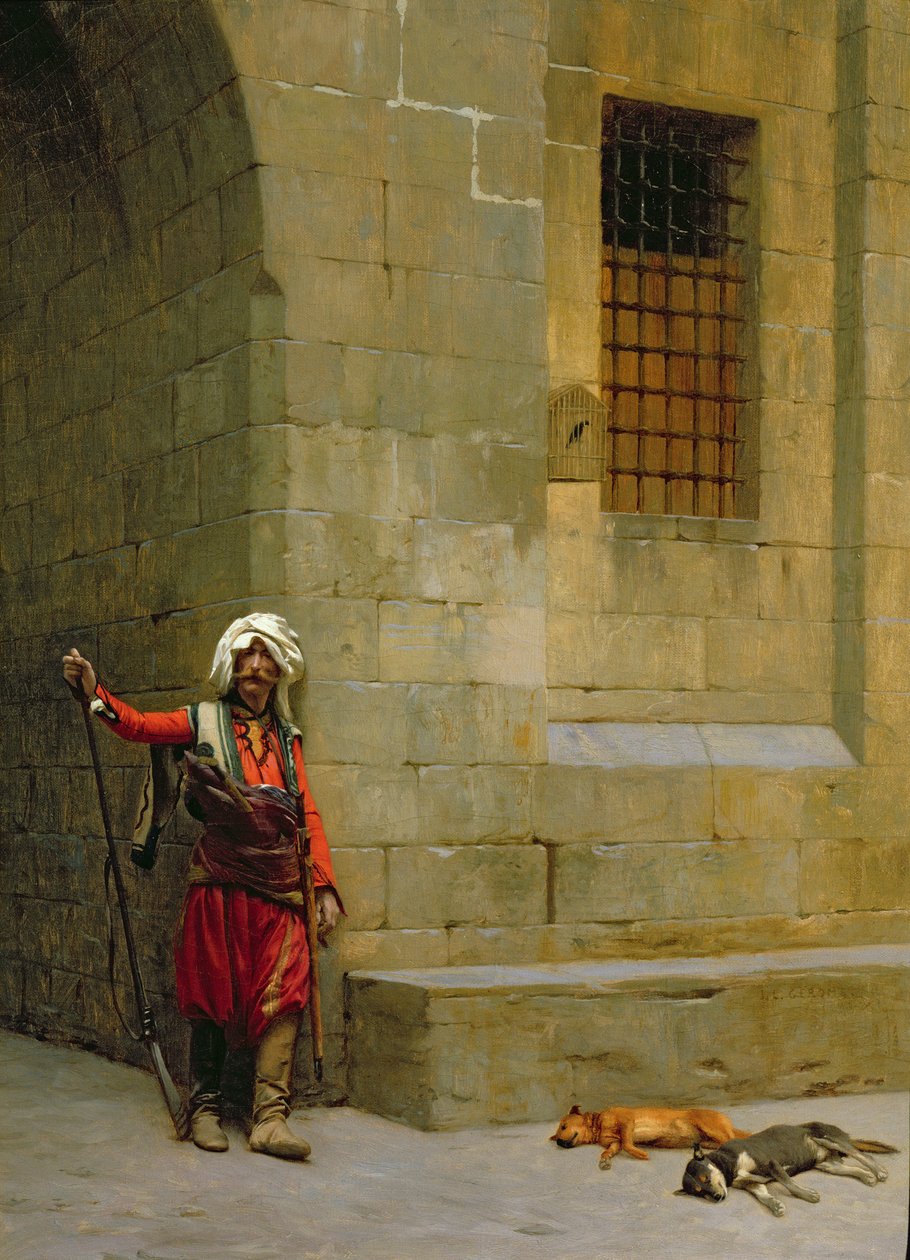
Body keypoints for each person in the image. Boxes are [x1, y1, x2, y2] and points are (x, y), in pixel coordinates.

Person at [62, 613, 342, 1160]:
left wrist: (324, 886)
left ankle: (270, 1118)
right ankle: (205, 1108)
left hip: (281, 884)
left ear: (281, 669)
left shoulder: (287, 739)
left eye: (265, 657)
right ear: (231, 665)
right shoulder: (203, 719)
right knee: (213, 989)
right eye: (245, 656)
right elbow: (139, 726)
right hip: (220, 879)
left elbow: (306, 811)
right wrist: (95, 691)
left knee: (286, 988)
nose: (255, 667)